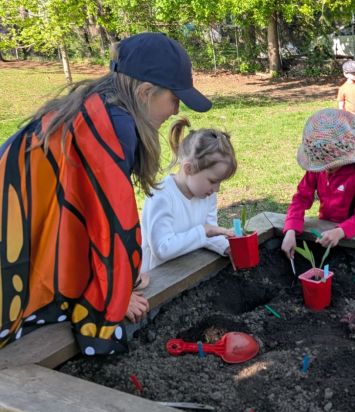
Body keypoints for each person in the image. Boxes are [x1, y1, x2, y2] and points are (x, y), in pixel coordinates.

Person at [0, 32, 212, 356]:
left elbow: (81, 211)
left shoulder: (100, 107)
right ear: (145, 92)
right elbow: (108, 221)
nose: (176, 109)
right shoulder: (114, 128)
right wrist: (116, 294)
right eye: (174, 98)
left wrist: (124, 279)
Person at [281, 109, 355, 257]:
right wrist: (291, 229)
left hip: (354, 235)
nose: (325, 170)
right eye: (322, 165)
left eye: (331, 165)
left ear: (346, 154)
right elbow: (301, 197)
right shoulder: (319, 164)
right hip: (327, 230)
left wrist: (340, 231)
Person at [140, 118, 237, 271]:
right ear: (188, 169)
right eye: (213, 181)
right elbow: (161, 250)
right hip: (158, 281)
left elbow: (209, 234)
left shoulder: (206, 195)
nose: (217, 189)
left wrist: (227, 247)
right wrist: (204, 231)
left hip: (186, 272)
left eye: (220, 182)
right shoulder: (161, 195)